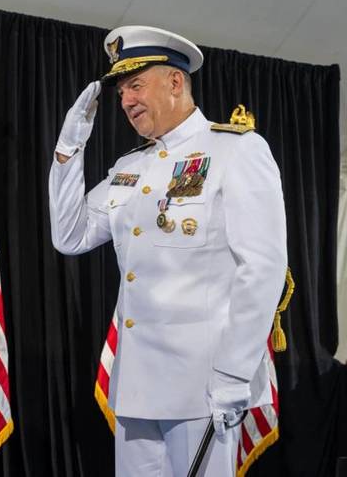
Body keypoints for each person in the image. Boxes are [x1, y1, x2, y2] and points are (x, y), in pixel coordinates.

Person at [49, 26, 287, 476]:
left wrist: (234, 374)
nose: (126, 101)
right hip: (136, 386)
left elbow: (262, 268)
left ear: (175, 83)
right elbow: (71, 235)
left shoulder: (235, 150)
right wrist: (68, 149)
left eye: (136, 85)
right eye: (120, 92)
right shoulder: (130, 167)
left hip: (203, 384)